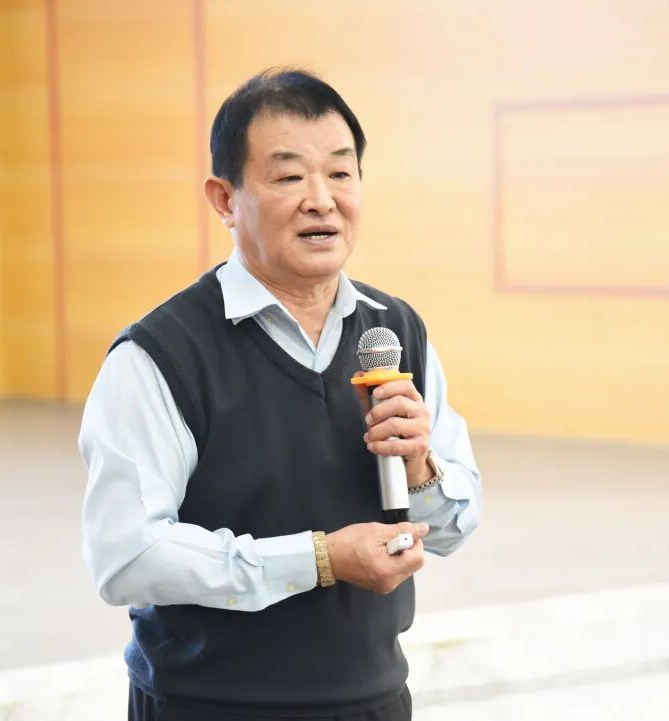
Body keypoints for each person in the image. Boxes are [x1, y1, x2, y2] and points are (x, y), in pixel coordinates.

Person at [79, 68, 482, 721]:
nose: (321, 200)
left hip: (373, 701)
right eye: (290, 177)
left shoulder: (393, 332)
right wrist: (319, 559)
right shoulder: (160, 355)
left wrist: (421, 470)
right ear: (224, 199)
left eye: (341, 173)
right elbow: (127, 556)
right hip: (207, 706)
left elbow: (450, 529)